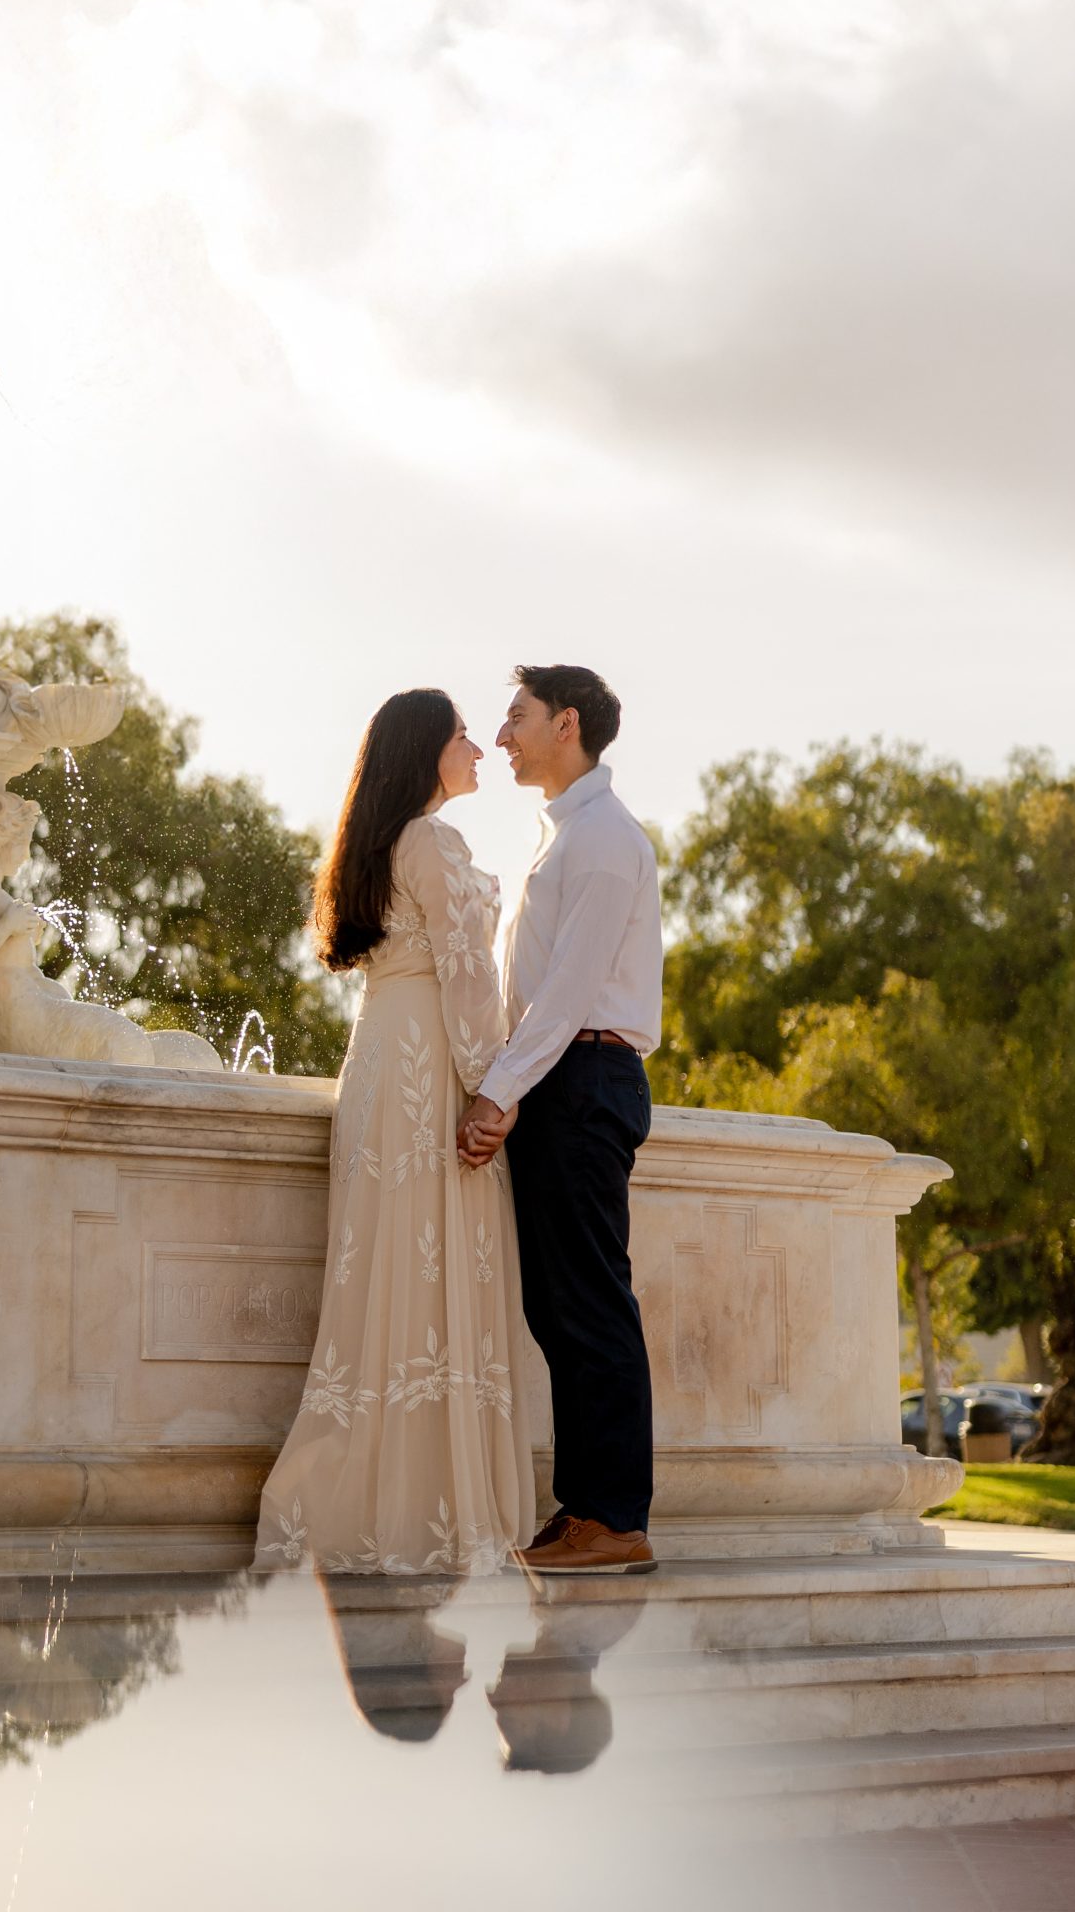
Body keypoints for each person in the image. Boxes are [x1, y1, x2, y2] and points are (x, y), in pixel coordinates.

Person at [256, 690, 535, 1574]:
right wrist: (496, 1091)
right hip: (426, 1066)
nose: (478, 750)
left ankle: (370, 1501)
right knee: (432, 1267)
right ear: (425, 751)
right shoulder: (431, 840)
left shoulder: (376, 847)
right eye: (462, 736)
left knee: (381, 1271)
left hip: (379, 1059)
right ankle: (429, 1509)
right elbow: (466, 975)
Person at [459, 665, 663, 1576]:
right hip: (562, 1078)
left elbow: (570, 988)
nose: (502, 736)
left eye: (516, 716)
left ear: (565, 724)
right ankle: (584, 1510)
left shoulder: (605, 839)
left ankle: (613, 1519)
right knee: (557, 1306)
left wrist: (499, 1089)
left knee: (588, 1301)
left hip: (584, 1077)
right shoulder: (566, 834)